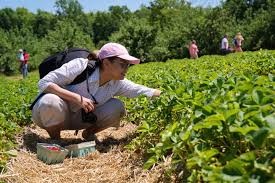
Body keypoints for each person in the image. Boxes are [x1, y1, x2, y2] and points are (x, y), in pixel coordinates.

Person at [31, 43, 162, 140]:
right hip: (51, 115)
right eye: (122, 64)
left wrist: (169, 95)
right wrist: (77, 98)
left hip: (79, 118)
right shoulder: (81, 66)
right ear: (106, 63)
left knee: (117, 106)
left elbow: (142, 90)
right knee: (50, 101)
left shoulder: (118, 83)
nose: (126, 68)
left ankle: (88, 134)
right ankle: (56, 140)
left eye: (128, 65)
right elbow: (43, 83)